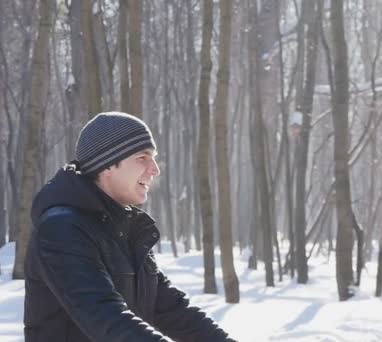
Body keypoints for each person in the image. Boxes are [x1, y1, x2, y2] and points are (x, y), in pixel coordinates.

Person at [24, 112, 236, 341]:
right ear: (106, 164)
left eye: (153, 157)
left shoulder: (124, 229)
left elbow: (174, 312)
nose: (155, 169)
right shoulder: (61, 230)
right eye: (142, 157)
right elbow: (110, 321)